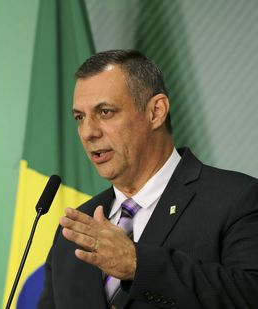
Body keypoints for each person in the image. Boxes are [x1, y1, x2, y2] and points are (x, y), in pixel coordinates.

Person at [37, 50, 258, 309]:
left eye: (105, 112)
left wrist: (137, 264)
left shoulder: (237, 199)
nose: (88, 132)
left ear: (156, 111)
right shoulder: (74, 232)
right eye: (80, 117)